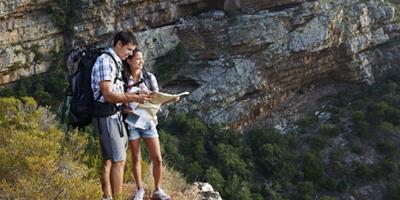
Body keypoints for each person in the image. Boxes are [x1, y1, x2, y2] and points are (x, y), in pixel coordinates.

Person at [91, 31, 151, 200]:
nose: (130, 54)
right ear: (118, 44)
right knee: (119, 160)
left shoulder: (116, 62)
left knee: (109, 160)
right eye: (129, 49)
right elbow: (108, 94)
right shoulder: (105, 61)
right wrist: (134, 97)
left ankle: (107, 197)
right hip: (106, 115)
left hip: (115, 115)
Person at [123, 49, 177, 200]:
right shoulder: (124, 79)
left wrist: (171, 98)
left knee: (157, 158)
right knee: (136, 157)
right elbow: (119, 99)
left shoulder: (149, 77)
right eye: (138, 59)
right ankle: (139, 189)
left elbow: (157, 97)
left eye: (142, 59)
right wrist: (124, 107)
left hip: (148, 121)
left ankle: (158, 190)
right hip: (133, 121)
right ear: (129, 60)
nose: (141, 62)